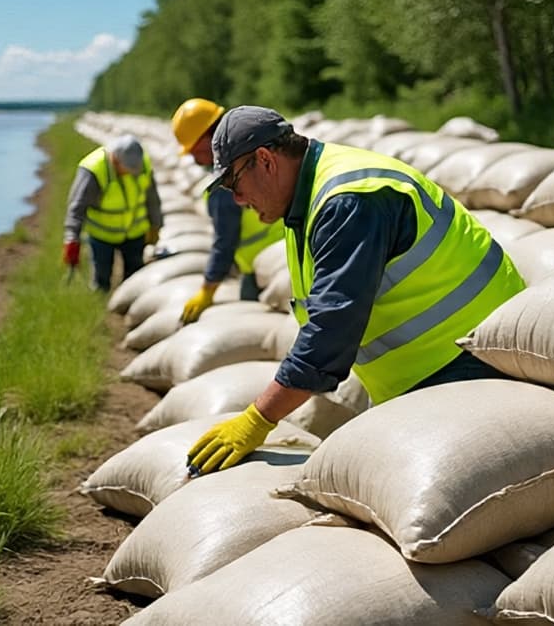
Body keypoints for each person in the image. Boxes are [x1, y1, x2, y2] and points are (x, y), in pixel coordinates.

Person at [186, 106, 526, 475]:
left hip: (473, 356)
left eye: (233, 184)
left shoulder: (347, 202)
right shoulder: (307, 199)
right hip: (433, 366)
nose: (236, 199)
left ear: (266, 161)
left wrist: (258, 419)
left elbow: (332, 333)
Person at [169, 98, 285, 321]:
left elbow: (225, 241)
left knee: (255, 323)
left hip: (262, 267)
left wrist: (207, 290)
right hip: (288, 249)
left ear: (206, 139)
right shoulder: (254, 155)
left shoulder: (225, 185)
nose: (192, 158)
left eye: (193, 149)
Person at [63, 134, 163, 292]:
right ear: (115, 160)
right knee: (102, 278)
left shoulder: (142, 164)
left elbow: (153, 199)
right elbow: (77, 207)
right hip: (102, 236)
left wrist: (156, 225)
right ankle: (100, 304)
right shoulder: (94, 170)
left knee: (134, 277)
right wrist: (72, 238)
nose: (132, 173)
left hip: (134, 233)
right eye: (127, 169)